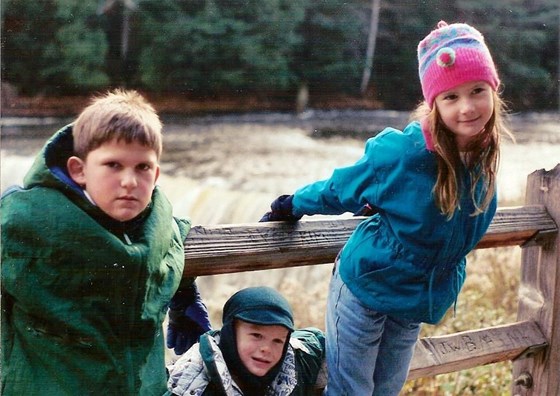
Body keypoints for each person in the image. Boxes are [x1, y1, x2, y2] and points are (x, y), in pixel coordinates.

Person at [260, 21, 513, 395]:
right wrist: (293, 204)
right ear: (434, 104)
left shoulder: (484, 154)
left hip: (414, 298)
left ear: (493, 90)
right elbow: (342, 186)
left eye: (477, 91)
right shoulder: (403, 152)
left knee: (387, 390)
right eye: (450, 97)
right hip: (366, 286)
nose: (467, 107)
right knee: (352, 391)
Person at [1, 89, 212, 395]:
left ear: (156, 174)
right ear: (79, 169)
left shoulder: (158, 220)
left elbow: (172, 233)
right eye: (113, 165)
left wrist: (184, 292)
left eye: (143, 168)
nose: (129, 181)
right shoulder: (26, 220)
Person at [165, 286, 326, 396]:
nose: (266, 349)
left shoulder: (299, 361)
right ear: (230, 333)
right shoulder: (189, 385)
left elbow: (322, 343)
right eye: (256, 335)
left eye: (277, 340)